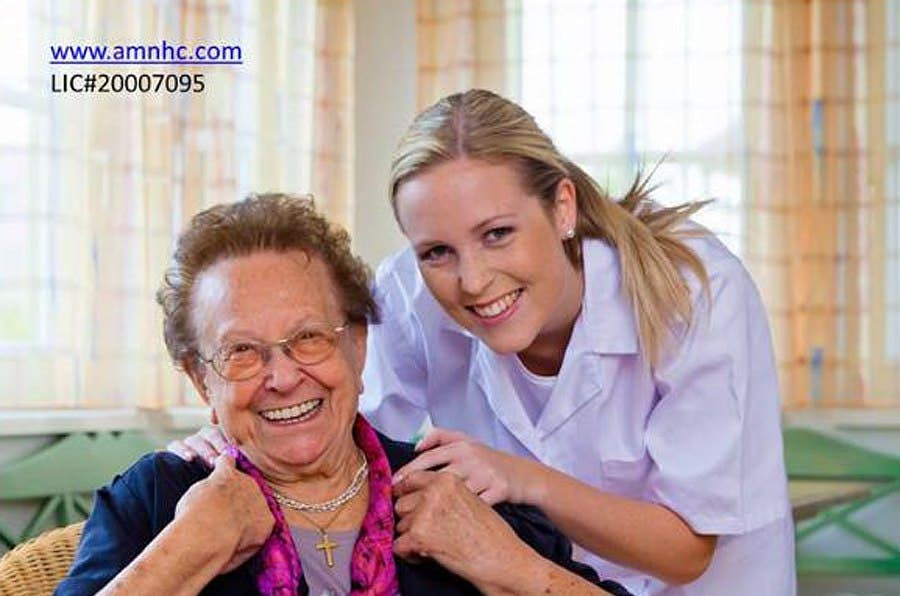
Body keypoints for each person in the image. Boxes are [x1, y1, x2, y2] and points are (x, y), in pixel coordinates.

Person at [172, 89, 795, 595]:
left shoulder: (694, 290)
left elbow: (686, 551)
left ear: (563, 207)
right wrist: (233, 438)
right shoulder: (408, 298)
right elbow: (336, 438)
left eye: (497, 233)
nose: (471, 281)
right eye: (437, 251)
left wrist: (520, 478)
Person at [58, 194, 630, 595]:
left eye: (308, 338)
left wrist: (506, 565)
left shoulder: (455, 491)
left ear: (357, 347)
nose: (281, 377)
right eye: (242, 352)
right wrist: (186, 551)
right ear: (199, 380)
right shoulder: (157, 502)